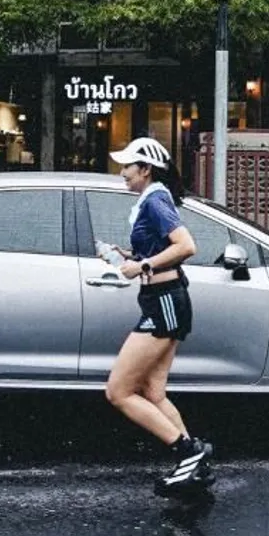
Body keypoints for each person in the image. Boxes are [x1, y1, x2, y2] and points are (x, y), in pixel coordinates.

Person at [101, 136, 213, 497]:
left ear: (145, 170)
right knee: (153, 391)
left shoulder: (156, 200)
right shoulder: (151, 200)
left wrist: (143, 265)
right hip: (163, 298)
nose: (122, 174)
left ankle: (188, 453)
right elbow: (161, 249)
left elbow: (186, 246)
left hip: (165, 301)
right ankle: (195, 464)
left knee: (118, 391)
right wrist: (130, 257)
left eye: (128, 167)